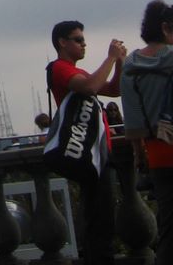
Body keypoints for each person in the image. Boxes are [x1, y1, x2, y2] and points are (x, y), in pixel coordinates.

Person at [48, 21, 127, 265]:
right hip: (86, 154)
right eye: (78, 39)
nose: (84, 44)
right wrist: (111, 58)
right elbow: (92, 86)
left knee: (102, 215)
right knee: (98, 217)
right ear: (63, 42)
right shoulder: (59, 68)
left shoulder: (75, 71)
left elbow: (114, 90)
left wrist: (120, 62)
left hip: (96, 153)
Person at [121, 0, 173, 265]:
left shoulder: (130, 65)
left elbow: (133, 121)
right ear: (165, 28)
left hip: (160, 156)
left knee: (170, 233)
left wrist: (139, 153)